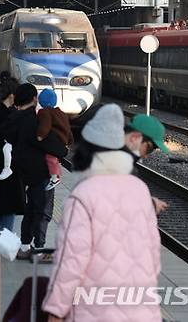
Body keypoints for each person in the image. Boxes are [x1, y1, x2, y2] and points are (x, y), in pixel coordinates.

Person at [42, 104, 161, 322]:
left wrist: (56, 311)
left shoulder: (84, 195)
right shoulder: (140, 189)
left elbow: (71, 262)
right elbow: (153, 258)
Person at [3, 84, 67, 259]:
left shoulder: (13, 118)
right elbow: (52, 145)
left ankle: (25, 246)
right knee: (43, 211)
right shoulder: (33, 120)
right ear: (34, 99)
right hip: (40, 172)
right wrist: (64, 149)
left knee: (31, 209)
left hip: (24, 172)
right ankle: (39, 250)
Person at [0, 78, 21, 230]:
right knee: (9, 207)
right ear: (12, 95)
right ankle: (2, 242)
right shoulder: (8, 115)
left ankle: (0, 239)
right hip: (7, 169)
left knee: (5, 207)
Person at [124, 113, 171, 215]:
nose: (145, 156)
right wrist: (150, 205)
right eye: (149, 148)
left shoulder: (104, 152)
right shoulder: (120, 167)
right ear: (135, 138)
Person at [36, 89, 73, 191]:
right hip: (63, 140)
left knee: (50, 158)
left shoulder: (44, 112)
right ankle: (56, 174)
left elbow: (45, 126)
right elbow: (68, 129)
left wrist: (40, 136)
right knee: (55, 159)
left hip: (55, 140)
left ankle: (55, 177)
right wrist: (69, 141)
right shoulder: (62, 113)